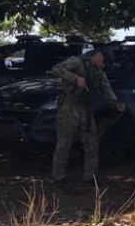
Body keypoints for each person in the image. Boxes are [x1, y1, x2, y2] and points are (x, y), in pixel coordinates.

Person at [50, 47, 125, 185]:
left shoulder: (98, 72)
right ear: (98, 55)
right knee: (64, 143)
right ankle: (58, 176)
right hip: (69, 107)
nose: (103, 66)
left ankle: (90, 177)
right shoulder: (76, 62)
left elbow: (106, 89)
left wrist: (116, 104)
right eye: (103, 62)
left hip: (86, 109)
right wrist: (75, 78)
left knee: (92, 142)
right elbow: (56, 69)